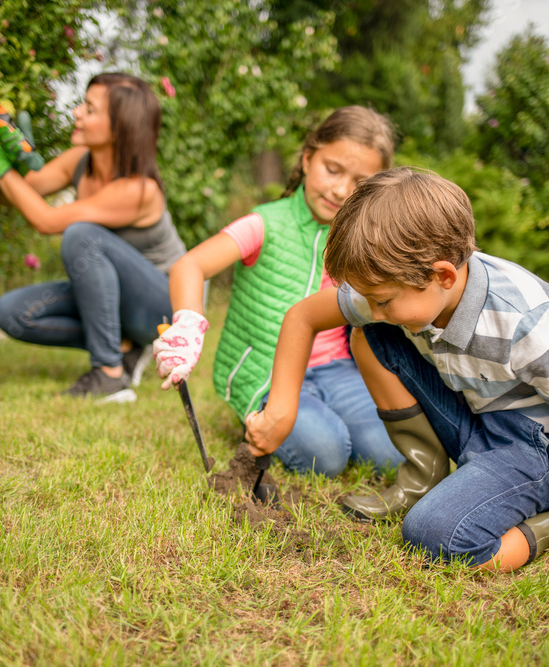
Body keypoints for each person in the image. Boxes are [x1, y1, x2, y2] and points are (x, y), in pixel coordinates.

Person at [246, 167, 549, 587]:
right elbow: (303, 316)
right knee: (369, 335)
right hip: (475, 418)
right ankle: (424, 475)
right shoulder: (407, 282)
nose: (372, 309)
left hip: (537, 448)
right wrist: (281, 411)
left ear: (442, 275)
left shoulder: (525, 317)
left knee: (434, 535)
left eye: (383, 301)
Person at [152, 107, 403, 477]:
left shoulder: (364, 240)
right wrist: (188, 323)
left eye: (359, 181)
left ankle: (315, 417)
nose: (340, 189)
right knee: (327, 456)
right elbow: (190, 265)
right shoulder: (265, 222)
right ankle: (263, 415)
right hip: (266, 371)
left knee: (390, 455)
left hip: (335, 369)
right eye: (332, 170)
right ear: (306, 159)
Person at [0, 73, 186, 402]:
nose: (77, 112)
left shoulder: (139, 190)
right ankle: (124, 345)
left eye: (90, 109)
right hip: (117, 298)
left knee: (82, 234)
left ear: (119, 127)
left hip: (164, 309)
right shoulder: (80, 161)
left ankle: (111, 373)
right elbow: (12, 195)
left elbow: (46, 220)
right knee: (12, 312)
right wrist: (19, 161)